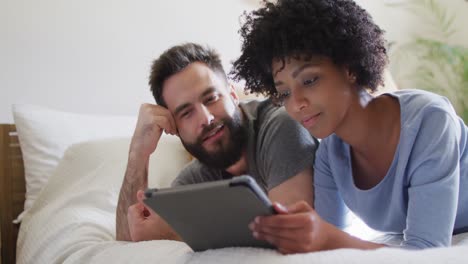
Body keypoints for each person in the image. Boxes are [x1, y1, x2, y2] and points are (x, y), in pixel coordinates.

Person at [230, 0, 468, 253]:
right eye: (285, 93)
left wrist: (329, 237)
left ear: (350, 68)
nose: (297, 103)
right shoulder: (329, 157)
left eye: (309, 80)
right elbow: (328, 248)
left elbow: (429, 253)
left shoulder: (430, 120)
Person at [116, 43, 318, 242]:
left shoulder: (281, 125)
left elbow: (290, 236)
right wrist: (138, 154)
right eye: (186, 113)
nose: (206, 118)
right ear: (174, 128)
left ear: (232, 94)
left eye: (211, 98)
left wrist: (171, 234)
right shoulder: (195, 179)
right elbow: (128, 239)